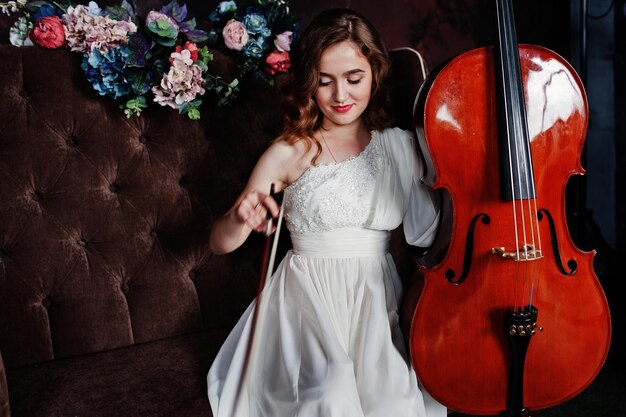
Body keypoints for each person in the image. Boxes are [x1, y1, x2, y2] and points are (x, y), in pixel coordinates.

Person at [207, 8, 444, 417]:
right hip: (306, 304)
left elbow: (431, 232)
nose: (340, 96)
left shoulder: (400, 147)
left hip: (374, 301)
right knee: (330, 395)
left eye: (354, 79)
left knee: (394, 405)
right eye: (324, 81)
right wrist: (239, 219)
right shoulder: (290, 151)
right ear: (307, 83)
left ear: (375, 74)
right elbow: (220, 244)